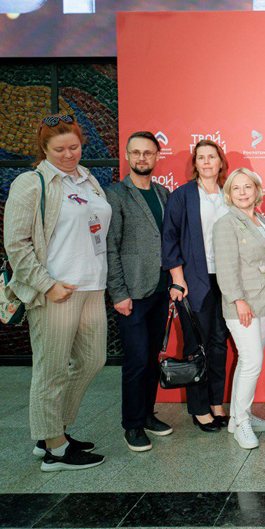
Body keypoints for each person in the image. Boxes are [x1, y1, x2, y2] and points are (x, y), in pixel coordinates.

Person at [3, 114, 110, 471]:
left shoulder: (87, 179)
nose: (68, 155)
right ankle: (55, 449)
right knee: (51, 370)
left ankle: (53, 430)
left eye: (74, 147)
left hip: (92, 286)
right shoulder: (31, 183)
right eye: (59, 149)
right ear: (44, 150)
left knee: (93, 360)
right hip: (55, 290)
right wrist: (47, 284)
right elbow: (16, 244)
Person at [105, 131, 174, 452]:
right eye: (136, 152)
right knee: (135, 361)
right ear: (127, 156)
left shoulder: (163, 193)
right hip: (131, 292)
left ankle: (147, 415)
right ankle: (132, 425)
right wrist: (118, 292)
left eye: (148, 152)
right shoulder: (116, 195)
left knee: (151, 358)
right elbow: (111, 247)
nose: (142, 158)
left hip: (160, 289)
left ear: (157, 156)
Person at [161, 140, 231, 431]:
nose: (206, 162)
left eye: (211, 157)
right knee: (196, 345)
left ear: (220, 162)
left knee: (219, 343)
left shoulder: (229, 193)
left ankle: (216, 403)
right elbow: (170, 237)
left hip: (226, 280)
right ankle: (200, 409)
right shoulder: (183, 195)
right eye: (201, 157)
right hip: (193, 280)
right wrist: (177, 279)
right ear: (195, 163)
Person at [214, 168, 265, 449]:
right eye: (236, 188)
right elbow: (226, 269)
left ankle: (238, 417)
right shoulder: (226, 223)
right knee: (252, 362)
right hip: (243, 304)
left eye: (247, 187)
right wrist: (238, 301)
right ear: (229, 193)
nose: (242, 193)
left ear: (256, 190)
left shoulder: (260, 219)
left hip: (263, 300)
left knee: (246, 361)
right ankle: (241, 423)